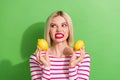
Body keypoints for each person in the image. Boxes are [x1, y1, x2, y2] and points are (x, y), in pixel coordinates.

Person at [30, 11, 90, 80]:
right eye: (53, 26)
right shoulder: (37, 57)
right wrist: (46, 67)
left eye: (64, 25)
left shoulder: (82, 57)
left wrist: (72, 66)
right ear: (48, 30)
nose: (59, 30)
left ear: (69, 29)